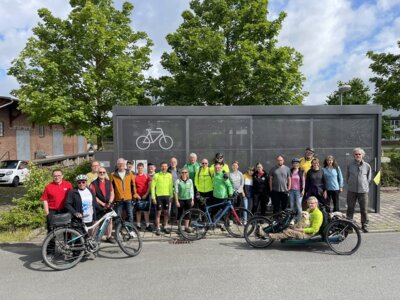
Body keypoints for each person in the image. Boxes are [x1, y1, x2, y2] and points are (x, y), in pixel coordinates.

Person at [346, 147, 372, 233]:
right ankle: (349, 226)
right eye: (356, 154)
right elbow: (347, 176)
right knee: (350, 208)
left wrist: (364, 185)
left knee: (364, 209)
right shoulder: (350, 165)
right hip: (351, 190)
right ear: (354, 155)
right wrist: (350, 184)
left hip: (363, 191)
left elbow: (369, 178)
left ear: (362, 155)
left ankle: (364, 225)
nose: (358, 155)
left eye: (359, 154)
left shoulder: (367, 166)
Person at [90, 166, 115, 243]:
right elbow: (93, 196)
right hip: (98, 205)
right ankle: (93, 239)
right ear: (97, 173)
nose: (102, 173)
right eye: (100, 172)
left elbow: (112, 193)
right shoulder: (93, 183)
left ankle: (109, 236)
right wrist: (102, 203)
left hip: (108, 204)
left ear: (105, 173)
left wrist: (110, 202)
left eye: (103, 172)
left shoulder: (109, 182)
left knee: (109, 221)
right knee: (96, 222)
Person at [109, 158, 137, 225]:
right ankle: (119, 230)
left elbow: (133, 185)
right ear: (117, 165)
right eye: (119, 164)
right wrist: (112, 198)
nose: (121, 165)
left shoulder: (130, 174)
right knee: (118, 216)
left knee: (130, 215)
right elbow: (111, 187)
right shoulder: (113, 175)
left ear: (125, 164)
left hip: (128, 198)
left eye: (122, 164)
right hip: (118, 199)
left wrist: (134, 195)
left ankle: (131, 230)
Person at [151, 162, 173, 235]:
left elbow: (171, 186)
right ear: (160, 167)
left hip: (167, 196)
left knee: (166, 213)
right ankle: (158, 228)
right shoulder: (156, 175)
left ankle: (165, 226)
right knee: (158, 213)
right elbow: (152, 187)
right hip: (159, 196)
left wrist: (171, 196)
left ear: (167, 167)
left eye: (165, 166)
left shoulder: (169, 175)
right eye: (162, 166)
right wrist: (153, 198)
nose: (164, 168)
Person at [211, 162, 234, 229]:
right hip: (215, 196)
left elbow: (229, 185)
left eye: (218, 168)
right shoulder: (213, 174)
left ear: (221, 168)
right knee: (214, 212)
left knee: (225, 212)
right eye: (216, 168)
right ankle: (213, 225)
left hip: (223, 197)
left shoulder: (224, 175)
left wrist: (230, 194)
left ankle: (226, 226)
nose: (217, 169)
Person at [174, 168, 194, 232]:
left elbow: (191, 191)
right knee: (180, 213)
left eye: (185, 172)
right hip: (181, 200)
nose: (184, 174)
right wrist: (177, 201)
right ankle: (179, 227)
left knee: (187, 213)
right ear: (180, 173)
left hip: (188, 199)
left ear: (187, 173)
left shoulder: (190, 181)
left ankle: (186, 227)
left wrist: (192, 199)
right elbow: (176, 192)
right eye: (182, 172)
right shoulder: (178, 181)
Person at [134, 162, 152, 231]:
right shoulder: (135, 176)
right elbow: (134, 187)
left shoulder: (147, 176)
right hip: (138, 196)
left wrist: (146, 194)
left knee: (146, 211)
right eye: (139, 168)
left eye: (141, 168)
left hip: (145, 195)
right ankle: (138, 225)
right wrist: (136, 194)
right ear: (137, 168)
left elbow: (149, 186)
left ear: (143, 168)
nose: (140, 169)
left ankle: (147, 225)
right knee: (138, 211)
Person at [289, 158, 305, 222]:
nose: (295, 164)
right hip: (291, 191)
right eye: (294, 163)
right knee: (292, 205)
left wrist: (303, 190)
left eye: (297, 163)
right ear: (292, 164)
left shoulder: (301, 171)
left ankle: (299, 219)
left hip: (299, 191)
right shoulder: (290, 171)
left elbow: (303, 181)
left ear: (299, 164)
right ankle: (292, 219)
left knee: (298, 205)